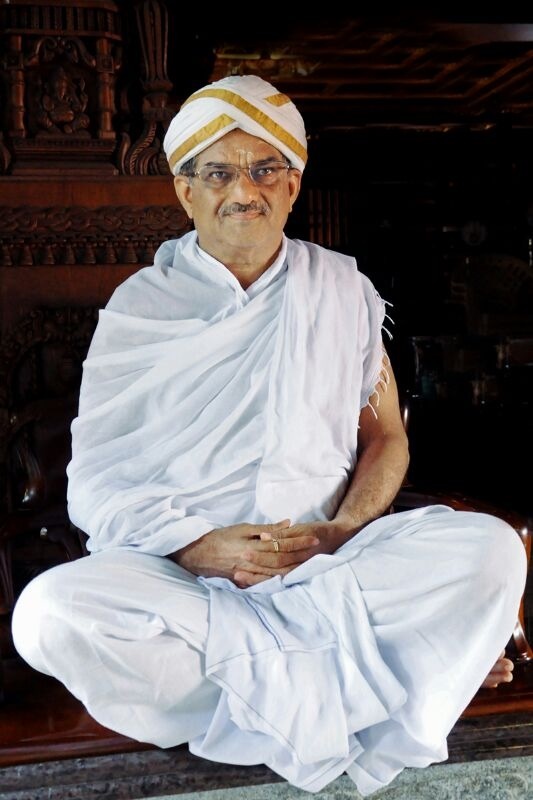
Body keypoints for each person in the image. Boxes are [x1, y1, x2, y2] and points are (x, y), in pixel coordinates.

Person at [12, 75, 526, 797]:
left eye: (264, 169)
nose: (243, 191)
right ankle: (379, 681)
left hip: (327, 571)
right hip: (186, 581)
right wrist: (196, 546)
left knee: (490, 548)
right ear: (185, 192)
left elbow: (385, 439)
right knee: (48, 616)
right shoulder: (142, 306)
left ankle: (302, 690)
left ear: (293, 186)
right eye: (218, 173)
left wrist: (341, 532)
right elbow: (96, 479)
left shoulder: (341, 290)